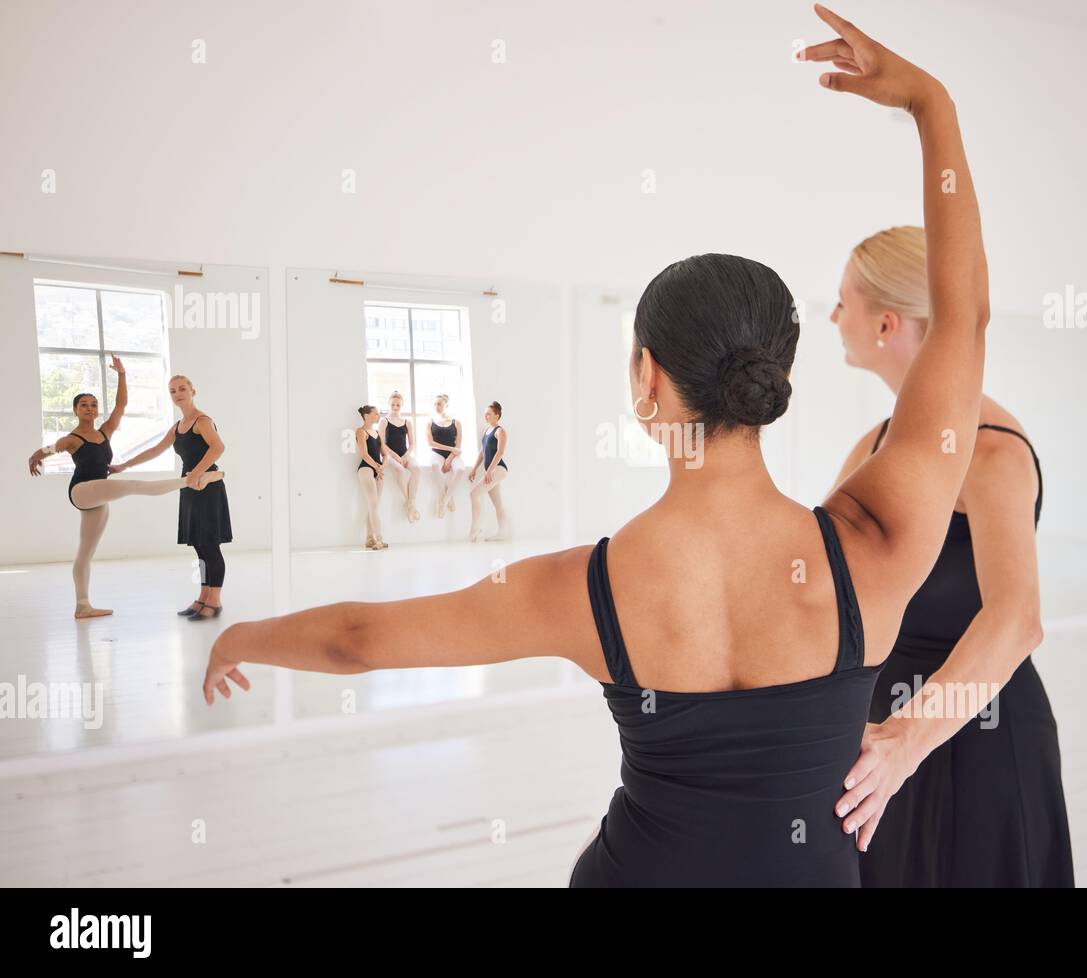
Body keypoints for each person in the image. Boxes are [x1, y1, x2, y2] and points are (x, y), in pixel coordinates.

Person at [203, 6, 990, 886]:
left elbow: (358, 639)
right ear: (774, 377)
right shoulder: (874, 549)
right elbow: (961, 320)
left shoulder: (584, 589)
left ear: (646, 380)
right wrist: (929, 104)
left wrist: (242, 636)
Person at [828, 225, 1072, 886]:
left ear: (885, 323)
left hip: (979, 740)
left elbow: (1017, 619)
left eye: (842, 302)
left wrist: (907, 738)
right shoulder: (873, 447)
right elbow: (821, 580)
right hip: (884, 745)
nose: (831, 317)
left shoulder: (994, 454)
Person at [27, 355, 223, 619]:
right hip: (82, 491)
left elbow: (121, 405)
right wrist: (36, 454)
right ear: (75, 410)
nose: (89, 408)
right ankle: (194, 479)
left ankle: (83, 605)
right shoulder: (71, 438)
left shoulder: (106, 431)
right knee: (132, 486)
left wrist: (121, 375)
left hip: (101, 494)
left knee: (85, 552)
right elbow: (51, 449)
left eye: (93, 404)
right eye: (83, 405)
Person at [112, 375, 234, 621]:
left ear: (192, 390)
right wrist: (123, 465)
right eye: (172, 390)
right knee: (199, 547)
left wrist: (197, 473)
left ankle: (215, 600)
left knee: (210, 546)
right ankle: (203, 597)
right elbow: (156, 450)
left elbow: (218, 448)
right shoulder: (178, 426)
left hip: (206, 486)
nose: (177, 393)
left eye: (182, 388)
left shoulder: (203, 420)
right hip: (189, 485)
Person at [467, 401, 509, 542]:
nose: (486, 416)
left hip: (498, 469)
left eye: (489, 414)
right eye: (485, 414)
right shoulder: (487, 431)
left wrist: (489, 471)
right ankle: (502, 533)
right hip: (491, 470)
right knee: (498, 504)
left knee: (474, 494)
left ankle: (475, 529)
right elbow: (482, 452)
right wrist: (474, 469)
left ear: (497, 415)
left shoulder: (500, 431)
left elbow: (500, 452)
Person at [380, 391, 420, 522]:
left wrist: (406, 455)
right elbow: (381, 444)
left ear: (402, 405)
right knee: (399, 470)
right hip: (389, 455)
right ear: (389, 404)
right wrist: (396, 456)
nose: (395, 407)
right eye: (393, 405)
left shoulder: (407, 422)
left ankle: (410, 503)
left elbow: (412, 444)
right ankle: (410, 504)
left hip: (405, 454)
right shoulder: (384, 421)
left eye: (398, 405)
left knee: (417, 469)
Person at [426, 393, 465, 519]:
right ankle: (447, 496)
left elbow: (458, 445)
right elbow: (430, 443)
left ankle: (443, 501)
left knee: (460, 470)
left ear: (446, 405)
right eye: (435, 404)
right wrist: (451, 449)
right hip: (436, 452)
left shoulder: (457, 422)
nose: (436, 406)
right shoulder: (430, 422)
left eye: (439, 404)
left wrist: (449, 458)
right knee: (434, 465)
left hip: (453, 454)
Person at [355, 406, 388, 549]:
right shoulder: (360, 431)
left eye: (378, 414)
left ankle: (369, 538)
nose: (378, 416)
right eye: (375, 414)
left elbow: (385, 454)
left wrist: (382, 467)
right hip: (366, 468)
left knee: (373, 506)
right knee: (373, 505)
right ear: (366, 415)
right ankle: (379, 539)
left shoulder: (377, 433)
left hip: (378, 470)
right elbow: (364, 454)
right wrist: (376, 467)